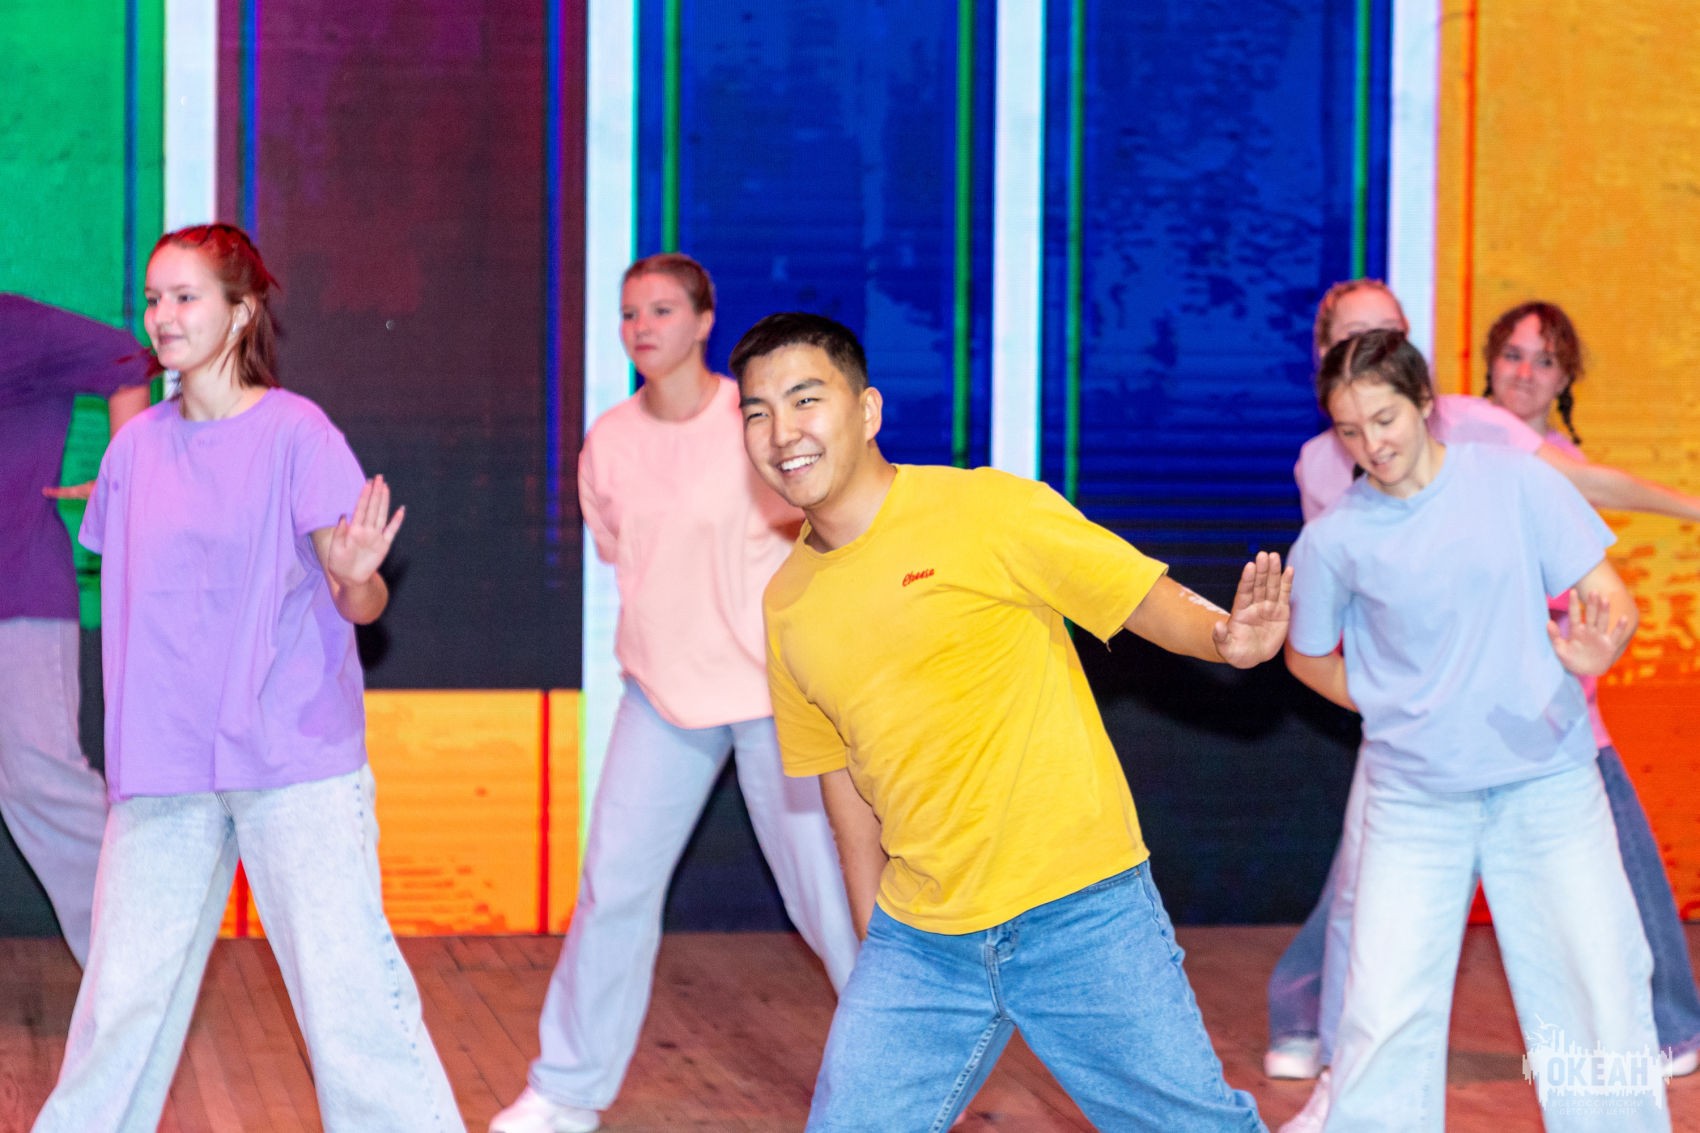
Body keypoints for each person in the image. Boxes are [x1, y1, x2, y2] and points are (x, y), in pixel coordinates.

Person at [733, 311, 1284, 1132]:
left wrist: (1222, 638)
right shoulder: (787, 603)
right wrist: (874, 954)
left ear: (868, 409)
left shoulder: (983, 508)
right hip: (920, 939)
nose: (783, 432)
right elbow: (845, 786)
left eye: (805, 399)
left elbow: (1131, 593)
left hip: (1079, 909)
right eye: (758, 412)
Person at [33, 224, 464, 1133]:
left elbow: (361, 599)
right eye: (154, 298)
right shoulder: (133, 451)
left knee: (351, 1001)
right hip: (164, 767)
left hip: (292, 762)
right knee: (118, 1007)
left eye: (186, 297)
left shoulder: (299, 433)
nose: (163, 316)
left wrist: (355, 573)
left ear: (241, 312)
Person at [1265, 281, 1700, 1093]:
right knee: (1377, 978)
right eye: (1352, 429)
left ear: (1422, 397)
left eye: (1386, 419)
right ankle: (1318, 1045)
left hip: (1546, 766)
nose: (1372, 444)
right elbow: (1313, 647)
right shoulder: (1330, 518)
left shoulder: (1509, 470)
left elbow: (1606, 581)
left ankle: (1649, 1062)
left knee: (1597, 981)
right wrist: (1391, 701)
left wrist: (1603, 639)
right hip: (1415, 780)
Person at [491, 256, 857, 1133]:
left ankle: (906, 1082)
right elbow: (620, 550)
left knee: (832, 897)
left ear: (703, 320)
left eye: (661, 310)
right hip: (660, 695)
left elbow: (825, 526)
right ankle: (566, 1091)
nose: (642, 327)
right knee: (611, 890)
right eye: (629, 314)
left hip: (775, 696)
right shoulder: (609, 440)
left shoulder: (754, 420)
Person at [0, 295, 150, 966]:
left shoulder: (16, 326)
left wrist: (128, 477)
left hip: (18, 593)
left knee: (40, 779)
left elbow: (127, 358)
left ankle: (137, 968)